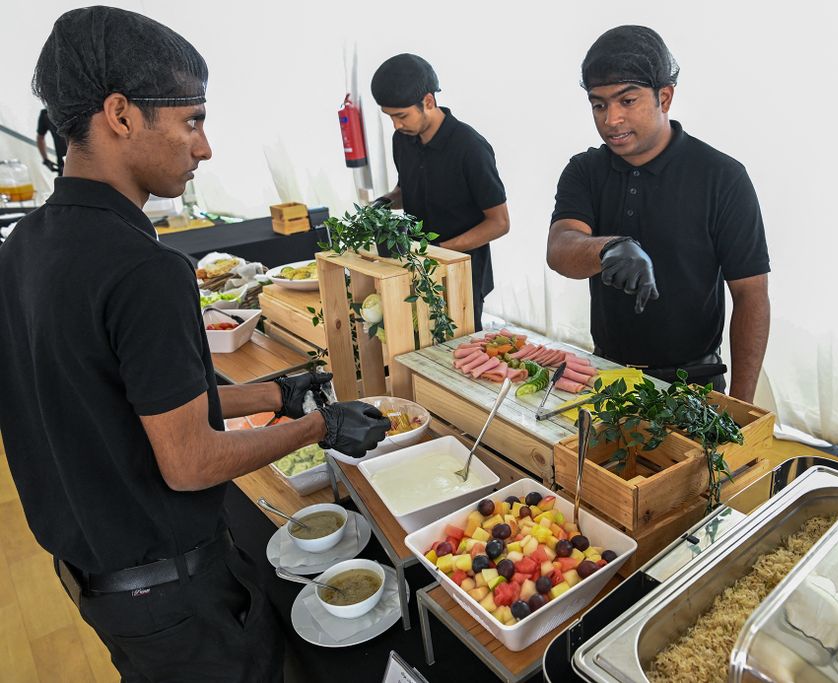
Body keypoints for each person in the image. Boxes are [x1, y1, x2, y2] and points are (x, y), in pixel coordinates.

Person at [0, 8, 390, 681]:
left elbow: (122, 402)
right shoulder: (144, 268)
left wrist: (274, 390)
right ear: (120, 114)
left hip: (99, 581)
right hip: (175, 597)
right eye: (192, 120)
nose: (203, 147)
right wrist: (319, 423)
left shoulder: (25, 246)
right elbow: (189, 459)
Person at [546, 26, 771, 401]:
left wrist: (742, 406)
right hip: (608, 374)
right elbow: (560, 248)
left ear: (664, 97)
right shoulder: (585, 170)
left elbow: (751, 294)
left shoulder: (722, 177)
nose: (611, 119)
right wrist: (609, 249)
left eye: (627, 101)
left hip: (694, 383)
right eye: (599, 104)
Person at [370, 53, 510, 331]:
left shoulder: (470, 147)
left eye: (401, 116)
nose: (396, 125)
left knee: (459, 354)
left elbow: (499, 223)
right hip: (419, 265)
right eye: (390, 117)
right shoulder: (403, 139)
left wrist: (439, 251)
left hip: (462, 271)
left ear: (428, 102)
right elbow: (405, 188)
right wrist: (383, 202)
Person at [36, 108, 67, 174]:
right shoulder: (46, 114)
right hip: (63, 167)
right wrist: (46, 160)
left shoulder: (78, 110)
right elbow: (40, 138)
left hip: (83, 166)